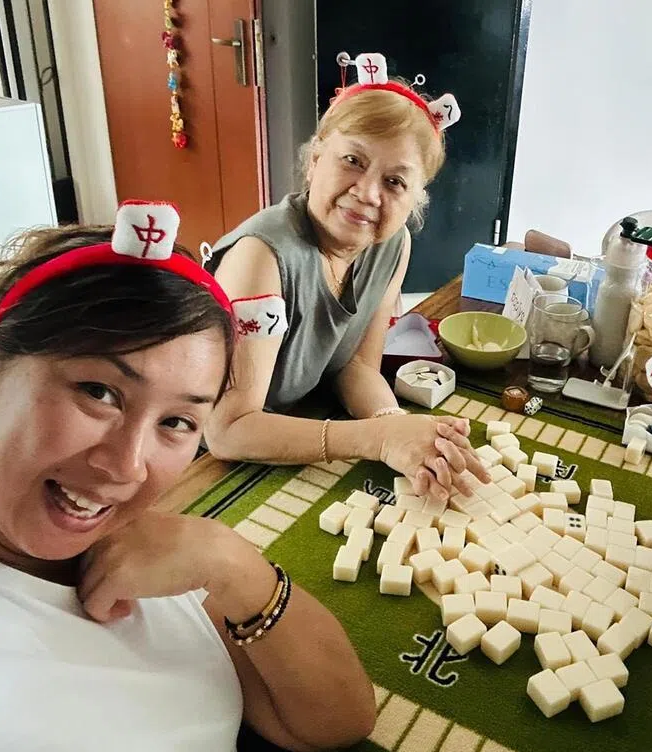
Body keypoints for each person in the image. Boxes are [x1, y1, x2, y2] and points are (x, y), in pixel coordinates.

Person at [0, 204, 376, 752]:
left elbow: (337, 722)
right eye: (98, 391)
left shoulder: (157, 553)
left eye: (177, 422)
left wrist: (235, 566)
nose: (126, 466)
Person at [206, 71, 485, 504]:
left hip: (298, 431)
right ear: (315, 160)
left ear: (416, 198)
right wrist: (376, 437)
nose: (368, 193)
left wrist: (398, 426)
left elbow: (355, 367)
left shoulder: (392, 244)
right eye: (352, 160)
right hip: (212, 468)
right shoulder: (261, 257)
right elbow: (227, 430)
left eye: (395, 181)